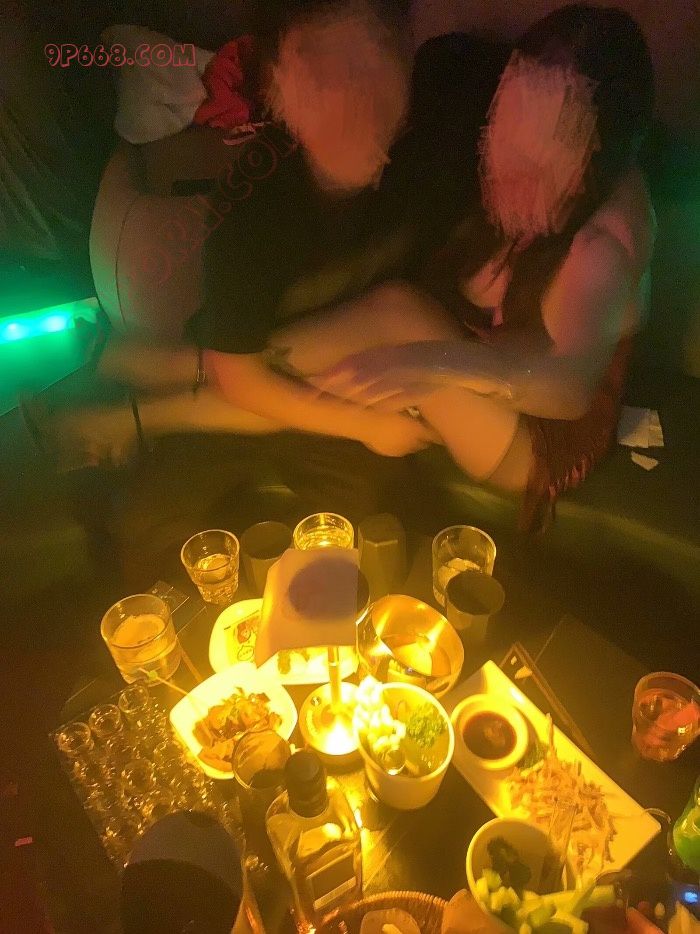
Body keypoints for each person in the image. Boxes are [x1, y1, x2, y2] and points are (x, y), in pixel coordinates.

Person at [27, 0, 510, 474]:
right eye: (323, 74)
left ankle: (147, 376)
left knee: (375, 326)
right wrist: (368, 428)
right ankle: (136, 402)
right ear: (281, 88)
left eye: (371, 62)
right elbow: (240, 376)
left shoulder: (446, 105)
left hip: (349, 331)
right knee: (327, 350)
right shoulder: (257, 208)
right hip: (269, 346)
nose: (356, 97)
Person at [301, 3, 657, 531]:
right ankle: (221, 373)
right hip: (488, 372)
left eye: (551, 127)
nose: (511, 144)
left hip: (536, 440)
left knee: (397, 319)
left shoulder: (603, 241)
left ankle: (226, 371)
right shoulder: (523, 183)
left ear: (598, 141)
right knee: (387, 317)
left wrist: (434, 362)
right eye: (513, 107)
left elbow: (568, 386)